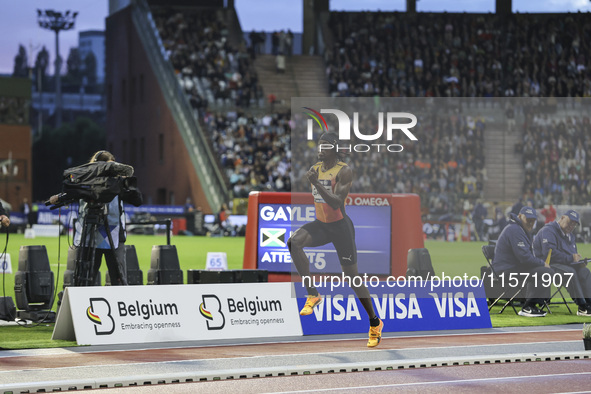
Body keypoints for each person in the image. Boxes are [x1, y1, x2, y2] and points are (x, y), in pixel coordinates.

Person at [287, 132, 383, 348]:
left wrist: (317, 184)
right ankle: (312, 294)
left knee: (353, 279)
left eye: (324, 146)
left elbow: (336, 202)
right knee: (294, 242)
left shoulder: (344, 170)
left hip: (340, 228)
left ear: (334, 148)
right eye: (318, 146)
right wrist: (315, 181)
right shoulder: (316, 168)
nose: (320, 150)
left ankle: (374, 322)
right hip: (321, 225)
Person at [49, 150, 142, 285]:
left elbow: (137, 200)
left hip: (114, 233)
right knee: (87, 277)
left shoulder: (117, 183)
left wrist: (125, 184)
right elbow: (72, 190)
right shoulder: (86, 180)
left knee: (118, 277)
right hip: (90, 233)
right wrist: (59, 197)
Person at [491, 206, 554, 317]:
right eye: (528, 220)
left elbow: (525, 257)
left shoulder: (519, 229)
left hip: (510, 268)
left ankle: (532, 305)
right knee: (546, 272)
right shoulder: (515, 230)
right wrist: (542, 263)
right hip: (506, 271)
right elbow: (524, 258)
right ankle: (528, 307)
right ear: (520, 217)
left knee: (543, 271)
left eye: (533, 221)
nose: (530, 223)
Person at [533, 210, 591, 316]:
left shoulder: (570, 236)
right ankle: (582, 306)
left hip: (564, 265)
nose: (571, 226)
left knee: (585, 271)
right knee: (570, 272)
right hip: (547, 266)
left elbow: (571, 256)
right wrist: (571, 258)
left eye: (574, 224)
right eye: (570, 222)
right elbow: (549, 254)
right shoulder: (548, 230)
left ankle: (589, 304)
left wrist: (579, 263)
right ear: (562, 218)